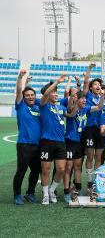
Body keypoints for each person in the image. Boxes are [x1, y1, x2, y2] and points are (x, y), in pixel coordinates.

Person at [39, 74, 77, 205]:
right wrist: (57, 82)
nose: (56, 95)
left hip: (61, 142)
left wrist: (75, 101)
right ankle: (45, 195)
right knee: (46, 170)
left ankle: (51, 190)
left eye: (56, 93)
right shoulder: (43, 105)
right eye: (54, 92)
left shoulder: (60, 107)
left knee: (61, 169)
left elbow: (71, 114)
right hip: (46, 142)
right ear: (48, 94)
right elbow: (45, 95)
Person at [63, 90, 104, 202]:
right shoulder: (72, 108)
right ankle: (66, 192)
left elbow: (99, 107)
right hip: (70, 141)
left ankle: (78, 188)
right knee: (68, 167)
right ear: (77, 99)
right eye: (82, 98)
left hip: (80, 141)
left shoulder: (85, 109)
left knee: (77, 166)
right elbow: (70, 108)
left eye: (85, 99)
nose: (84, 100)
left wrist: (102, 95)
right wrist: (72, 98)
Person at [13, 70, 41, 205]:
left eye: (32, 95)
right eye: (27, 95)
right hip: (24, 144)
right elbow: (19, 91)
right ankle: (17, 195)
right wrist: (21, 78)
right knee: (21, 170)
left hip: (38, 145)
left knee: (36, 170)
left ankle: (30, 193)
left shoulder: (38, 107)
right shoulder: (21, 106)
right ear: (23, 98)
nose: (30, 97)